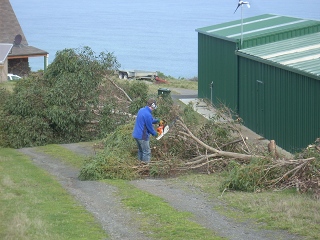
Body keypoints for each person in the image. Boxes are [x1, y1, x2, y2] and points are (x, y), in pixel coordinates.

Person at [132, 98, 160, 163]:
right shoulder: (148, 115)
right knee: (146, 152)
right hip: (142, 136)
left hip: (136, 135)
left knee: (141, 150)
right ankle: (145, 168)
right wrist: (155, 134)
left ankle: (139, 164)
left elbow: (147, 120)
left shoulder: (141, 110)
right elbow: (150, 128)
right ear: (153, 106)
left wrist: (156, 121)